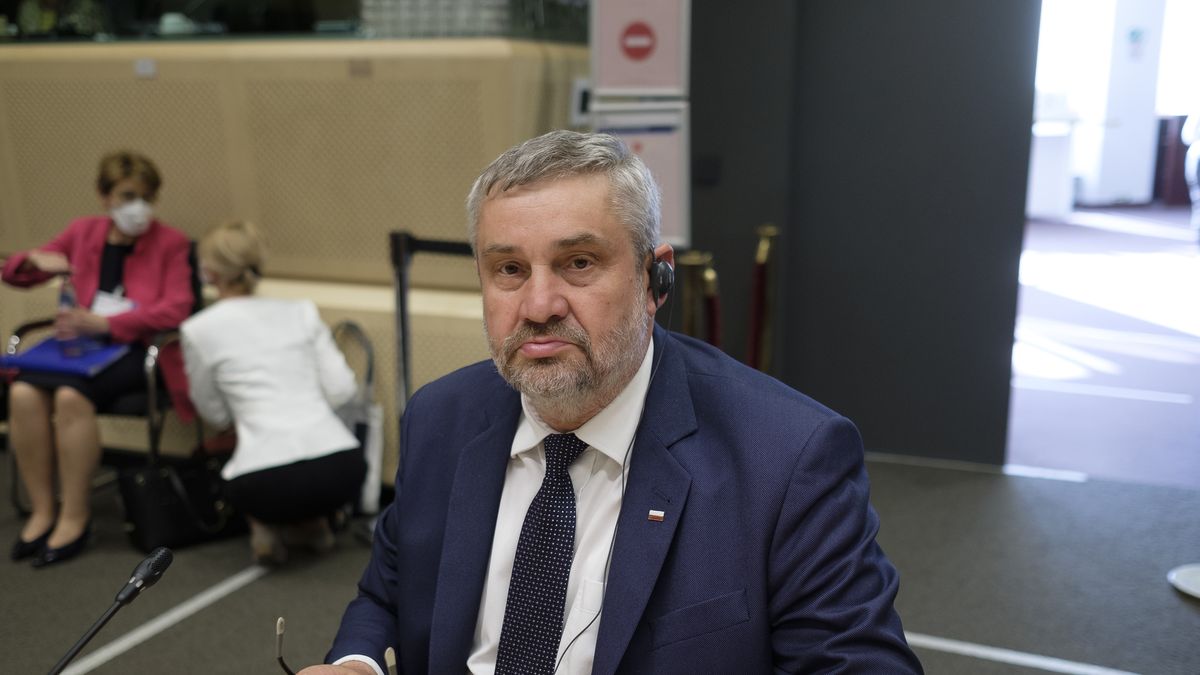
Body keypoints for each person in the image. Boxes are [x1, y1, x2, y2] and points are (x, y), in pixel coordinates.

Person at [302, 131, 922, 674]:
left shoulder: (789, 459)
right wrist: (357, 665)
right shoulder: (441, 417)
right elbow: (388, 595)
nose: (539, 305)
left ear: (655, 281)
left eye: (578, 263)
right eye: (509, 270)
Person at [3, 150, 194, 567]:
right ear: (104, 197)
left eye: (147, 197)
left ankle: (75, 515)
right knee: (21, 393)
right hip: (79, 350)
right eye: (128, 196)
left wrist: (109, 325)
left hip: (135, 350)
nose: (138, 207)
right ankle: (42, 510)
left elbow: (176, 308)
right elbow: (18, 272)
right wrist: (30, 260)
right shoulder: (83, 233)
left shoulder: (171, 243)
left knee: (71, 397)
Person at [181, 220, 364, 565]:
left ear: (208, 272)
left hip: (262, 482)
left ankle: (266, 530)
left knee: (251, 475)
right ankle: (313, 523)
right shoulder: (300, 311)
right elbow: (342, 389)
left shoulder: (197, 330)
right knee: (305, 482)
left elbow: (214, 414)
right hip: (343, 469)